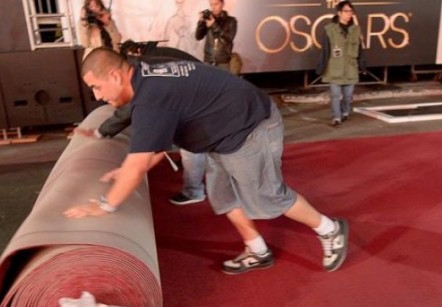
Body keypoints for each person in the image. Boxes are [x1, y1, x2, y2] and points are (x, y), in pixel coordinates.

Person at [65, 48, 350, 274]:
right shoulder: (143, 70)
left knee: (267, 198)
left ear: (115, 75)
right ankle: (258, 250)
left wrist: (104, 206)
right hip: (219, 132)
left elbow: (139, 163)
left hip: (249, 128)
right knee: (223, 197)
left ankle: (330, 229)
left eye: (96, 87)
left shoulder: (151, 98)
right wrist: (125, 165)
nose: (97, 96)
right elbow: (153, 147)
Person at [76, 46, 207, 206]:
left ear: (112, 73)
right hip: (198, 102)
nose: (98, 96)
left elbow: (131, 109)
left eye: (97, 86)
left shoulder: (142, 74)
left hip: (202, 107)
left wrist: (102, 132)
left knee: (194, 148)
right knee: (202, 150)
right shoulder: (143, 64)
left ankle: (194, 191)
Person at [316, 1, 366, 127]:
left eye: (351, 11)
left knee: (348, 96)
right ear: (339, 13)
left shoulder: (356, 30)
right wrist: (321, 67)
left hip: (351, 68)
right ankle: (336, 117)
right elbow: (325, 50)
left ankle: (345, 112)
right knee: (335, 95)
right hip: (334, 68)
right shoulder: (329, 30)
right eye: (346, 11)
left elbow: (360, 49)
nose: (349, 14)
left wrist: (362, 65)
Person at [195, 0, 237, 73]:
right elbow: (198, 37)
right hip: (208, 59)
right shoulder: (208, 19)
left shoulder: (231, 20)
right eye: (211, 5)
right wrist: (200, 23)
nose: (213, 7)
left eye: (216, 4)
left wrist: (214, 25)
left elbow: (229, 38)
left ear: (222, 4)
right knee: (207, 83)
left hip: (223, 60)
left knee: (223, 83)